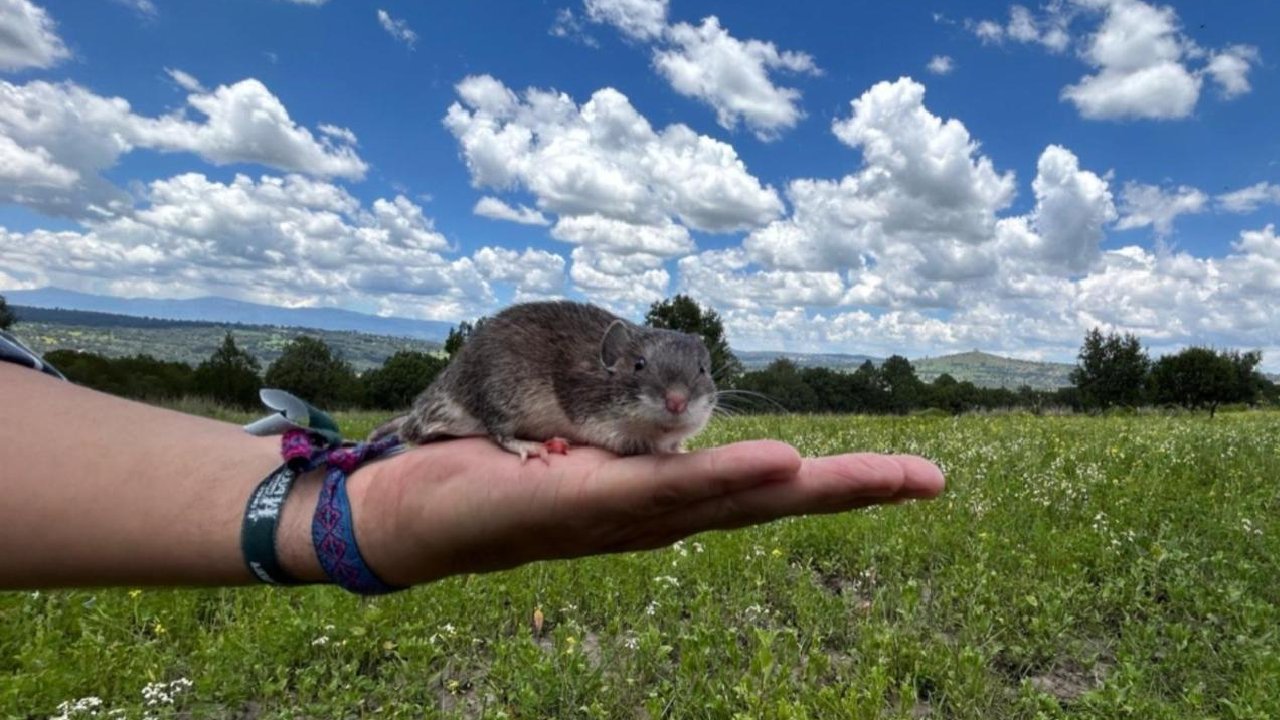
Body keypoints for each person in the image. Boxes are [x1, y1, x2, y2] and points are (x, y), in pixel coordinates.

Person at [0, 341, 944, 591]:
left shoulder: (675, 388)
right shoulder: (596, 388)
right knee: (517, 411)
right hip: (494, 400)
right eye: (661, 391)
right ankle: (493, 434)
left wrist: (335, 510)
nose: (676, 406)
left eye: (692, 393)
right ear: (630, 370)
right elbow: (613, 428)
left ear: (702, 380)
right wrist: (518, 442)